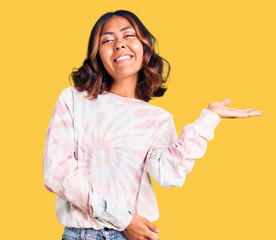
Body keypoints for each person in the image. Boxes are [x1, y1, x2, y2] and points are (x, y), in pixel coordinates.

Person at [43, 10, 262, 240]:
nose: (119, 45)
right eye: (107, 40)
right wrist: (123, 219)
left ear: (144, 47)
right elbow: (57, 173)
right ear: (97, 56)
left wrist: (208, 119)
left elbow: (169, 175)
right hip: (86, 234)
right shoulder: (74, 100)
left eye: (128, 36)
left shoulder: (158, 119)